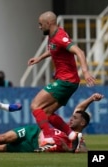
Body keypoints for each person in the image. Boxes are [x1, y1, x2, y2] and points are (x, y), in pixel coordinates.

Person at [27, 11, 96, 145]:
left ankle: (47, 137)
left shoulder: (60, 36)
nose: (39, 27)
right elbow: (54, 48)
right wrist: (40, 58)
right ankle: (71, 135)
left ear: (49, 23)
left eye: (40, 24)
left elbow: (79, 52)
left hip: (65, 81)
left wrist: (86, 72)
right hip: (69, 82)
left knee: (35, 105)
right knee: (47, 113)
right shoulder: (52, 36)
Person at [0, 93, 103, 153]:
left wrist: (66, 148)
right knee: (6, 137)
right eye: (72, 117)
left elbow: (84, 152)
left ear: (83, 123)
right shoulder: (68, 129)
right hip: (34, 132)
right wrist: (91, 98)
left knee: (3, 148)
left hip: (35, 146)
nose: (71, 119)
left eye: (75, 118)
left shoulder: (78, 139)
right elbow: (80, 109)